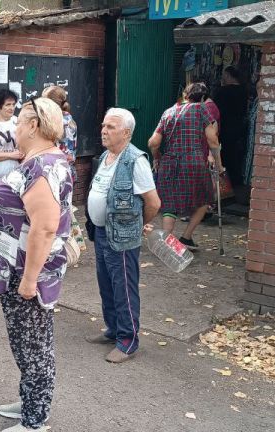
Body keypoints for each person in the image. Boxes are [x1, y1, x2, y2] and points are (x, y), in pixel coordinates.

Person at [0, 97, 73, 432]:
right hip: (16, 270)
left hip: (26, 273)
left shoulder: (42, 166)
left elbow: (44, 226)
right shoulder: (41, 160)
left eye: (19, 121)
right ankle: (30, 401)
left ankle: (35, 422)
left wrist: (29, 281)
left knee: (33, 347)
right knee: (27, 343)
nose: (14, 126)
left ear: (33, 125)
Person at [85, 108, 161, 363]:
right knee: (106, 284)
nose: (104, 131)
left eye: (111, 127)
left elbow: (153, 202)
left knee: (124, 288)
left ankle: (128, 341)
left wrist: (139, 223)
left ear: (126, 133)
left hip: (122, 237)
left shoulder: (135, 160)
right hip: (101, 232)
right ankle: (113, 329)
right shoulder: (107, 156)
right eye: (104, 125)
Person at [148, 83, 223, 250]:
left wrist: (156, 158)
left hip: (169, 163)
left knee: (169, 202)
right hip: (193, 163)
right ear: (203, 98)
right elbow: (212, 140)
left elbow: (153, 142)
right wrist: (218, 164)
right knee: (205, 200)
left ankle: (167, 240)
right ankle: (186, 238)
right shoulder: (201, 109)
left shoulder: (168, 112)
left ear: (185, 95)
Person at [212, 66, 249, 191]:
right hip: (240, 129)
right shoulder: (245, 91)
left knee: (224, 158)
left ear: (228, 76)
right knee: (236, 158)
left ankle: (224, 189)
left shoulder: (223, 92)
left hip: (224, 129)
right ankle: (236, 186)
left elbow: (215, 111)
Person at [42, 86, 78, 176]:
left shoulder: (56, 121)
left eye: (44, 101)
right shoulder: (68, 118)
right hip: (68, 168)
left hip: (57, 171)